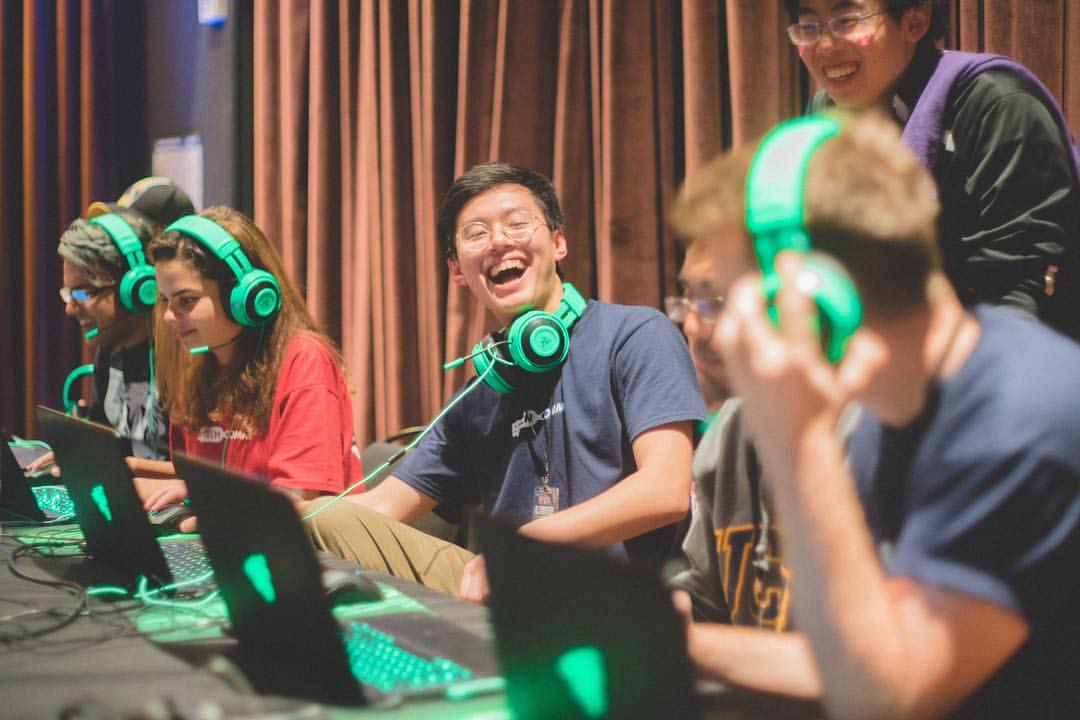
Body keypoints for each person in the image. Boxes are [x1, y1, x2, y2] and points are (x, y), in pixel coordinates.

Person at [675, 111, 1080, 719]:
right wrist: (664, 642)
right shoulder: (892, 412)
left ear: (810, 296)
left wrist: (798, 438)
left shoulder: (1021, 421)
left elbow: (886, 695)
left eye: (726, 300)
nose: (715, 329)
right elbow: (859, 651)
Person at [303, 162, 706, 604]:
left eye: (517, 224)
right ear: (457, 270)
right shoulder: (479, 395)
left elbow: (665, 491)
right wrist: (269, 519)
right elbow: (380, 512)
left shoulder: (635, 334)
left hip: (619, 599)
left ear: (558, 243)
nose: (498, 241)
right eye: (476, 233)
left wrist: (527, 544)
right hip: (512, 596)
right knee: (319, 525)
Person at [785, 0, 1080, 340]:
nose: (824, 45)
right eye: (808, 26)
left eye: (847, 20)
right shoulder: (822, 116)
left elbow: (1016, 296)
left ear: (915, 21)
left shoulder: (996, 104)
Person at [138, 206, 364, 522]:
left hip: (310, 554)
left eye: (186, 301)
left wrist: (215, 509)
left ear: (244, 297)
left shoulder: (304, 361)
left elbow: (297, 499)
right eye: (165, 300)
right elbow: (205, 478)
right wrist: (130, 473)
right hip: (236, 545)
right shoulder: (200, 366)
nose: (168, 317)